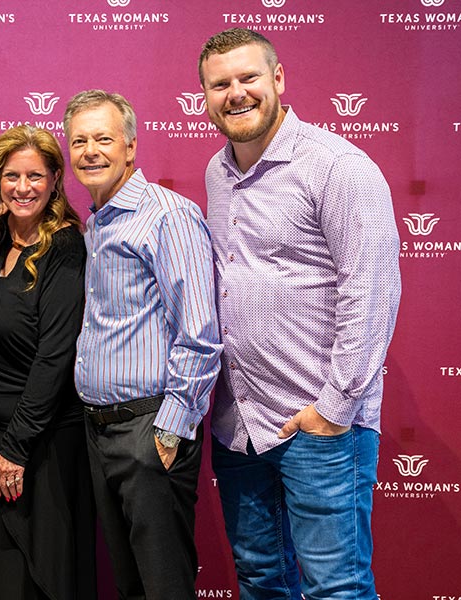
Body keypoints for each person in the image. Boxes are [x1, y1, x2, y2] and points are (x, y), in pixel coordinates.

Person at [199, 28, 401, 600]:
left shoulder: (339, 167)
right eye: (220, 85)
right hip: (241, 428)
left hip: (320, 426)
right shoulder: (219, 171)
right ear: (205, 98)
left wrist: (334, 409)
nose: (236, 93)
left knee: (336, 588)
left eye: (248, 78)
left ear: (278, 80)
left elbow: (373, 292)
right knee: (263, 581)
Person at [63, 90, 222, 599]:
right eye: (80, 140)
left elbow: (199, 334)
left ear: (130, 147)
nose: (90, 150)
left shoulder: (166, 216)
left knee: (164, 586)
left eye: (103, 139)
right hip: (100, 429)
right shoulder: (96, 222)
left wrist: (170, 432)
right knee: (132, 586)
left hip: (149, 431)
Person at [0, 125, 96, 600]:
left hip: (41, 444)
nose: (23, 187)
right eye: (12, 176)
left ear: (56, 179)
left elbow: (54, 357)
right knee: (5, 576)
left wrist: (16, 448)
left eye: (35, 176)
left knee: (42, 581)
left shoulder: (65, 247)